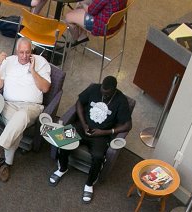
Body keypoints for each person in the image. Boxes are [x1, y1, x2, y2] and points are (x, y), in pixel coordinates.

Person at [50, 75, 131, 203]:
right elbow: (79, 103)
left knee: (98, 157)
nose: (103, 95)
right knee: (62, 139)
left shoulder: (121, 100)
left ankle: (89, 184)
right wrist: (83, 124)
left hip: (101, 135)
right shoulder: (94, 88)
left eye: (107, 94)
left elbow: (127, 125)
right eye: (102, 92)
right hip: (83, 126)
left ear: (114, 90)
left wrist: (105, 132)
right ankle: (62, 168)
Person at [0, 39, 52, 182]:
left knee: (20, 117)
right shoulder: (8, 61)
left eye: (28, 52)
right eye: (21, 52)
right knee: (17, 128)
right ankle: (7, 164)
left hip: (31, 107)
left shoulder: (41, 62)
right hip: (9, 105)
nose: (24, 56)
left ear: (31, 51)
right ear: (16, 52)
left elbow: (45, 88)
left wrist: (32, 70)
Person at [62, 0, 128, 44]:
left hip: (101, 26)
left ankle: (76, 40)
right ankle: (82, 36)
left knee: (68, 16)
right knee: (80, 7)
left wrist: (82, 2)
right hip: (115, 23)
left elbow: (90, 10)